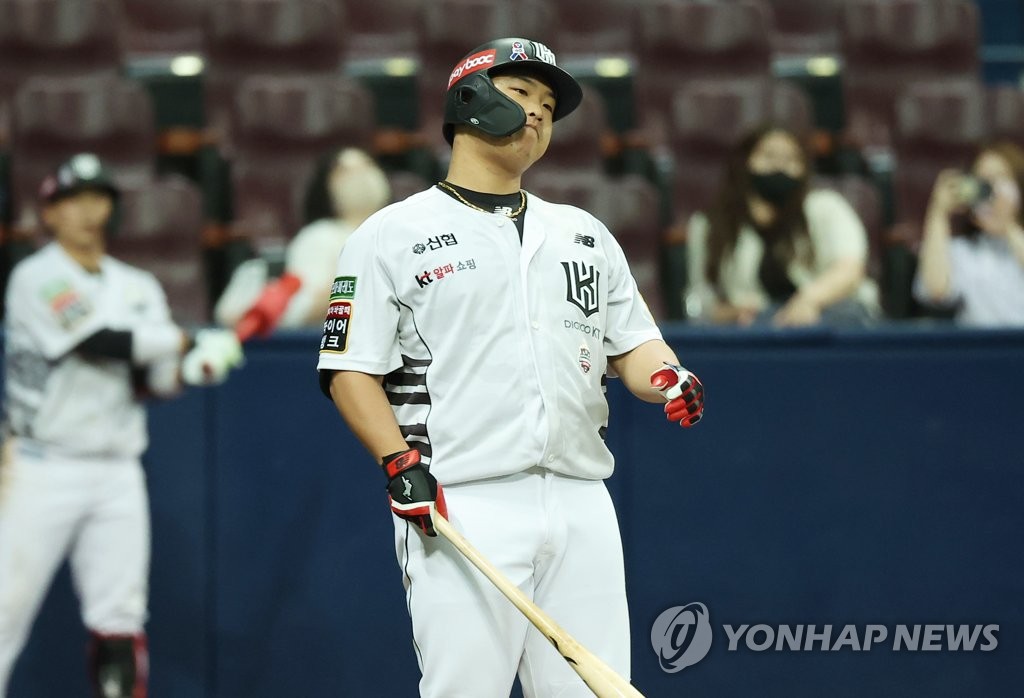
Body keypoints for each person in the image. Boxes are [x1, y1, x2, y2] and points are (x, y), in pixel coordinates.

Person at [316, 38, 705, 697]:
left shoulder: (582, 232)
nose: (538, 113)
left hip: (581, 497)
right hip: (462, 498)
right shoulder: (390, 234)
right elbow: (349, 370)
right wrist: (395, 462)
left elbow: (634, 344)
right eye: (521, 94)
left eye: (549, 105)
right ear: (468, 99)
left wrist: (668, 376)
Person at [0, 154, 243, 698]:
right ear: (49, 213)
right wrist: (186, 338)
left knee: (120, 618)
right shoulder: (35, 277)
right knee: (3, 614)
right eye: (73, 200)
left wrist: (194, 368)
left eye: (98, 197)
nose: (88, 210)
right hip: (41, 465)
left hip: (116, 468)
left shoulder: (137, 285)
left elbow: (153, 381)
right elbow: (96, 341)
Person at [684, 124, 880, 327]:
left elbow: (849, 270)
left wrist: (807, 301)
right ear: (744, 163)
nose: (779, 166)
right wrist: (725, 313)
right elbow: (699, 297)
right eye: (768, 156)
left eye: (790, 160)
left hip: (829, 314)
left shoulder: (827, 207)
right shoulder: (708, 225)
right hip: (756, 324)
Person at [214, 147, 391, 333]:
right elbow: (299, 310)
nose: (359, 177)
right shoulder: (319, 236)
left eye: (366, 166)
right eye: (345, 170)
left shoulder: (399, 233)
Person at [914, 140, 1024, 326]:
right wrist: (938, 213)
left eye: (999, 178)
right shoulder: (963, 250)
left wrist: (1008, 227)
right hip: (981, 349)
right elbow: (936, 290)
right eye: (982, 180)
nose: (989, 190)